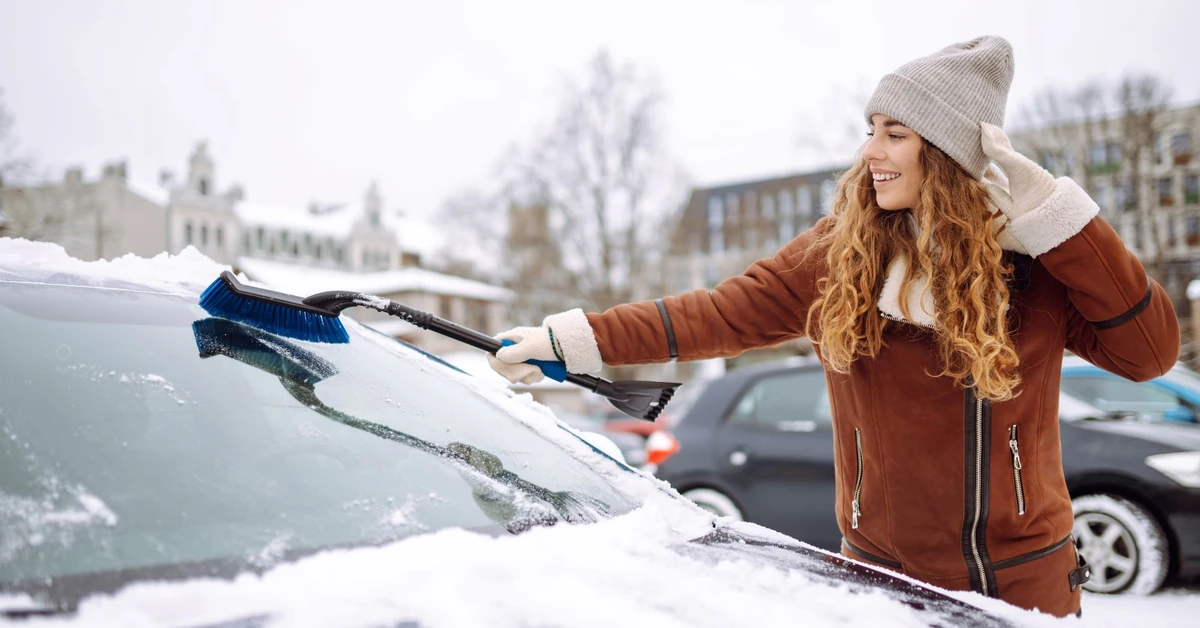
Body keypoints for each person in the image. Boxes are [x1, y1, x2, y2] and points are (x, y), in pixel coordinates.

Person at [486, 36, 1179, 617]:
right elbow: (720, 313)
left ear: (946, 153)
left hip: (1021, 581)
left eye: (895, 133)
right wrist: (574, 339)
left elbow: (1149, 352)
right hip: (879, 580)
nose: (871, 150)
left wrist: (1059, 218)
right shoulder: (841, 255)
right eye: (870, 129)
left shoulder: (1035, 265)